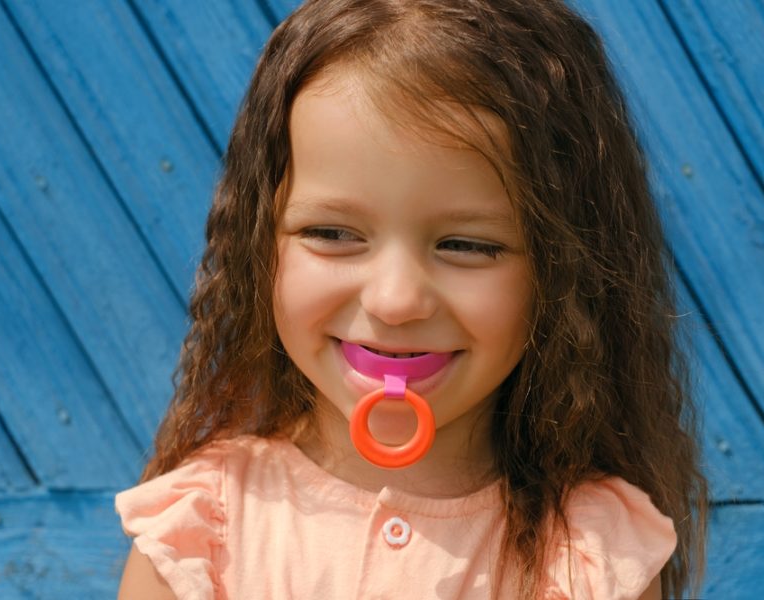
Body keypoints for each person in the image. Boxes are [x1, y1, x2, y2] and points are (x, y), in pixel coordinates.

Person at [115, 0, 707, 598]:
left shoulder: (591, 556)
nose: (396, 301)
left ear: (562, 271)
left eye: (467, 245)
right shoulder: (199, 530)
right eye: (333, 234)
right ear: (260, 246)